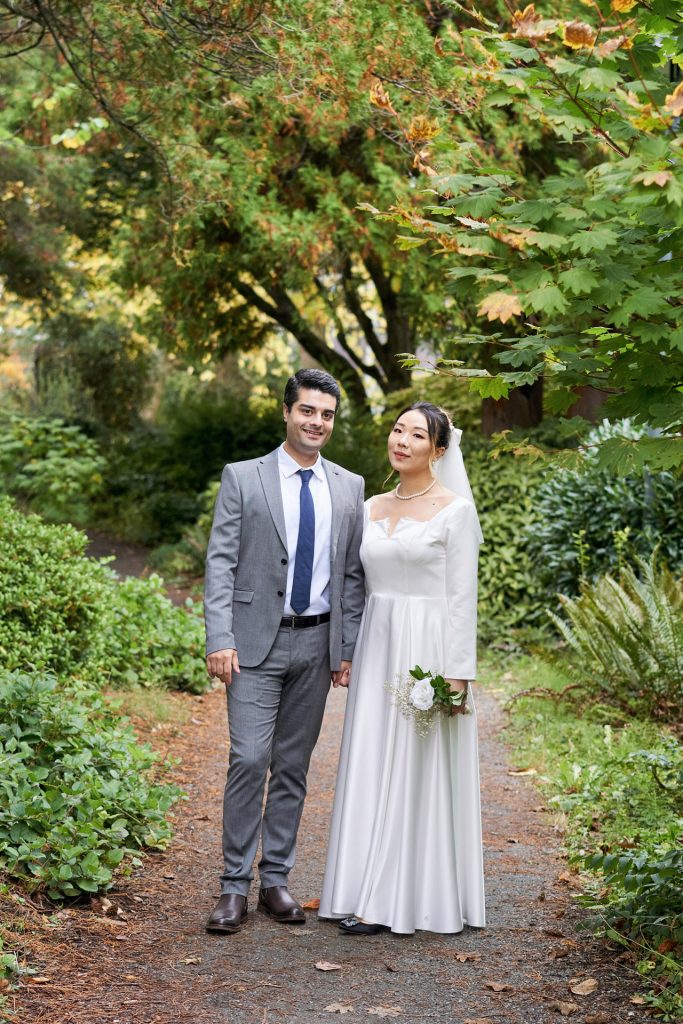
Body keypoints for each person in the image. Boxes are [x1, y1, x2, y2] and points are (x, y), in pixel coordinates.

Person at [203, 368, 365, 934]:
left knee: (293, 766)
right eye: (307, 411)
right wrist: (219, 637)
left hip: (317, 643)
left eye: (326, 414)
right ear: (287, 412)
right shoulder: (243, 477)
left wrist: (345, 648)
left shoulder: (349, 486)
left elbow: (351, 575)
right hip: (252, 644)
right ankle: (233, 887)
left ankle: (275, 880)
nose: (317, 422)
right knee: (249, 758)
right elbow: (220, 562)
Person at [319, 401, 485, 935]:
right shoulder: (369, 506)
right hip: (377, 643)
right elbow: (353, 586)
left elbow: (462, 599)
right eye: (397, 430)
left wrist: (457, 675)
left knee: (415, 765)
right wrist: (345, 649)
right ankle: (354, 886)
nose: (402, 441)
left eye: (417, 435)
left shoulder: (456, 511)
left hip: (427, 649)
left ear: (439, 449)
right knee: (371, 757)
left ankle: (395, 899)